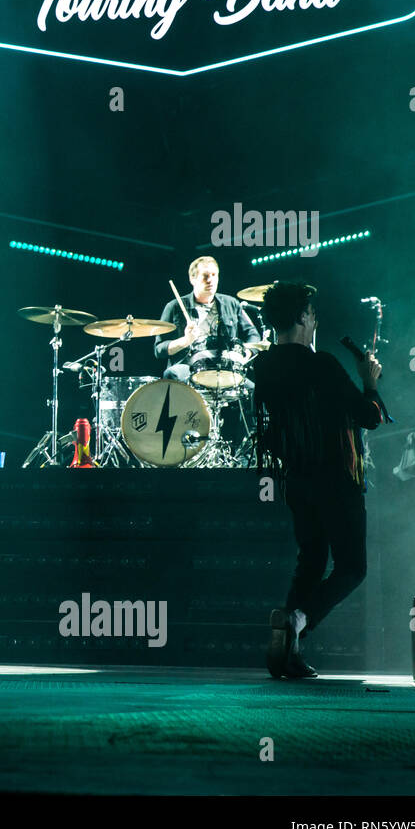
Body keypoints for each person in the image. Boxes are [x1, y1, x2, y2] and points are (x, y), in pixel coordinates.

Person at [253, 282, 384, 679]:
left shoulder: (264, 366)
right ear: (302, 317)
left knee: (310, 560)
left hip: (298, 480)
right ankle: (295, 623)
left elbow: (272, 432)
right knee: (351, 568)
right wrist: (370, 381)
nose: (315, 321)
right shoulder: (322, 364)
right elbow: (370, 416)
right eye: (312, 314)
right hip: (336, 478)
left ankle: (288, 653)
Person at [155, 256, 261, 383]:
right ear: (192, 279)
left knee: (252, 390)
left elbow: (253, 335)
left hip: (226, 368)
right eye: (205, 276)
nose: (210, 280)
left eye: (214, 275)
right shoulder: (174, 307)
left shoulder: (231, 303)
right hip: (189, 368)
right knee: (172, 374)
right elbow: (159, 349)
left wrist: (245, 353)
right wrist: (185, 341)